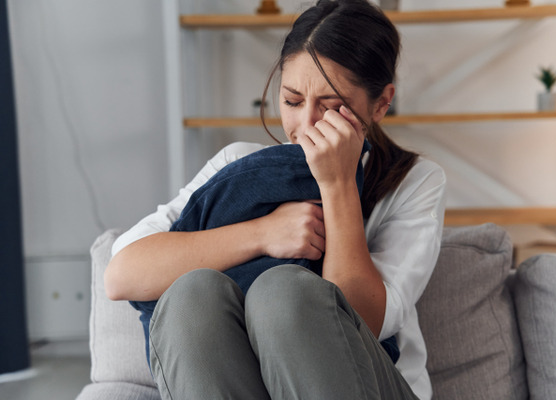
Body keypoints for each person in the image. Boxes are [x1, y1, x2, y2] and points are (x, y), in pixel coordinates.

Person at [104, 0, 446, 398]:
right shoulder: (240, 165)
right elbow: (121, 275)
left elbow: (366, 321)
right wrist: (263, 233)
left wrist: (337, 186)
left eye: (332, 108)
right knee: (192, 296)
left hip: (366, 383)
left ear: (382, 103)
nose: (305, 127)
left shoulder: (415, 182)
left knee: (282, 292)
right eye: (293, 101)